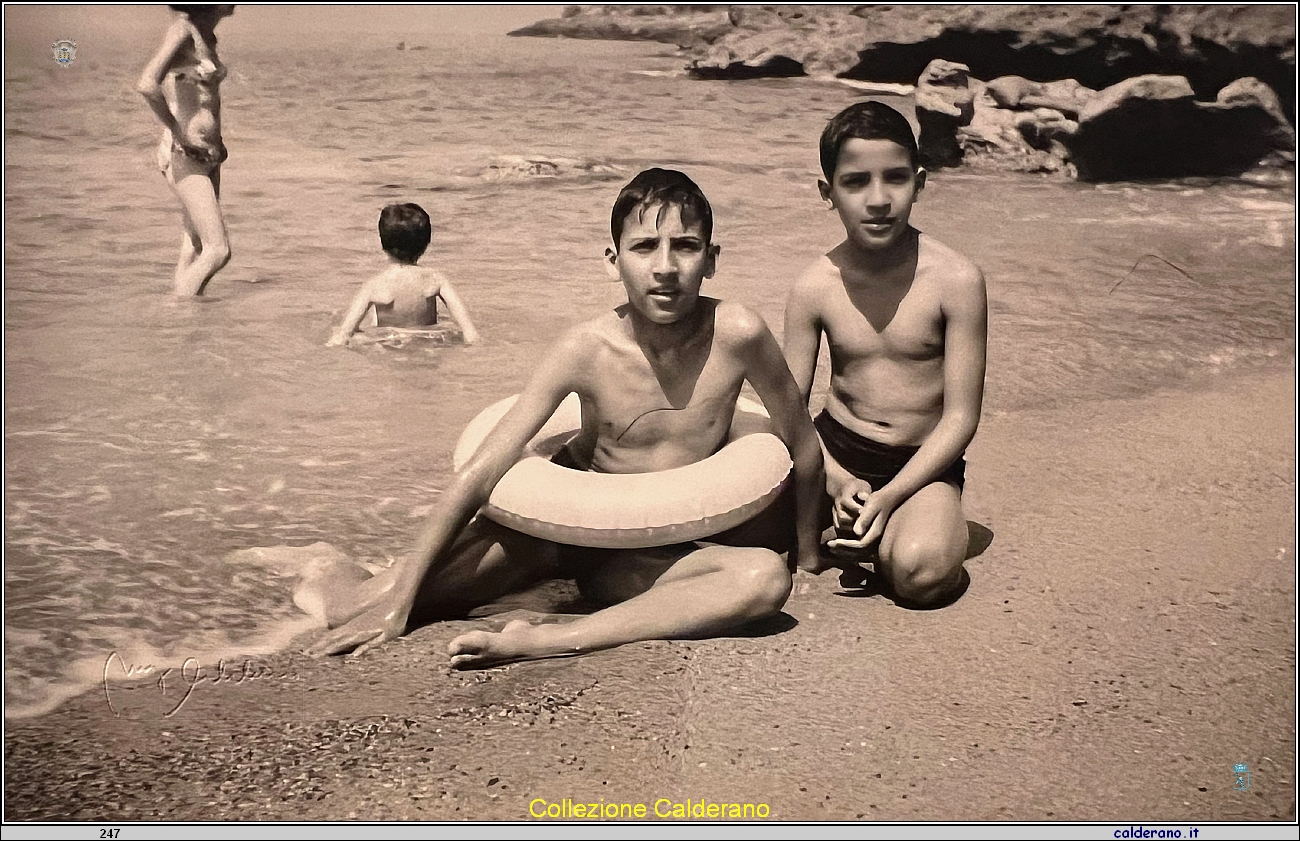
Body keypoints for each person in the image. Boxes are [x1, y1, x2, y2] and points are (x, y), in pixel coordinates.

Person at [303, 168, 824, 666]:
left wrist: (807, 562)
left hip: (636, 555)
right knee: (356, 610)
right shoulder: (585, 348)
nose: (664, 267)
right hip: (553, 533)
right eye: (644, 247)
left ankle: (549, 639)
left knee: (762, 579)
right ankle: (328, 565)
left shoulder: (738, 334)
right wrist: (399, 604)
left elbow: (801, 445)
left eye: (684, 247)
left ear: (710, 259)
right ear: (611, 260)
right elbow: (482, 472)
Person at [782, 101, 988, 608]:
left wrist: (891, 495)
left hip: (922, 465)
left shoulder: (956, 281)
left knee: (920, 576)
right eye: (856, 183)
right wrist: (836, 479)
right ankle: (861, 527)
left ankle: (898, 530)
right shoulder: (814, 286)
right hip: (833, 454)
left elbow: (961, 418)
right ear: (827, 193)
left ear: (919, 182)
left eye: (894, 179)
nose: (878, 200)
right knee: (747, 542)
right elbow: (788, 412)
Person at [136, 5, 236, 297]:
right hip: (186, 155)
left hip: (209, 155)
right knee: (218, 250)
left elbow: (198, 97)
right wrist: (179, 134)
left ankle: (184, 334)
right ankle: (175, 312)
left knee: (194, 247)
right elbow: (146, 84)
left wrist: (216, 142)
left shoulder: (208, 36)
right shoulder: (183, 31)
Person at [327, 203, 481, 347]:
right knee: (447, 325)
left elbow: (344, 334)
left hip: (390, 344)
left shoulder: (375, 285)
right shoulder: (435, 279)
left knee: (344, 329)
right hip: (427, 343)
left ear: (383, 244)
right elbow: (470, 331)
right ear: (426, 243)